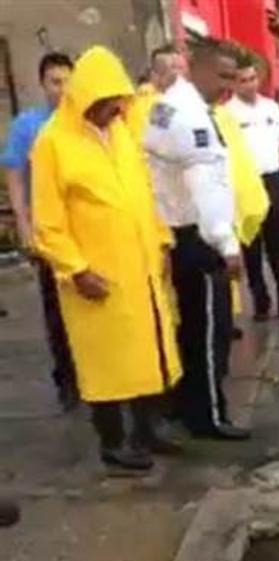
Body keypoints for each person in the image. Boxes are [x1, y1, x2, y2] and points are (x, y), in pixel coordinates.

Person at [31, 46, 182, 472]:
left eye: (118, 101)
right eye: (105, 103)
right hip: (95, 273)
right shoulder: (52, 144)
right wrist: (76, 269)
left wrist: (162, 241)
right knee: (107, 360)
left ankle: (148, 429)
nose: (114, 109)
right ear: (85, 98)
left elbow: (143, 196)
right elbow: (48, 221)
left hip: (141, 265)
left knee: (148, 346)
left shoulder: (121, 133)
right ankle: (112, 441)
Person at [144, 38, 249, 440]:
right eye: (223, 76)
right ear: (196, 68)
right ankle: (207, 416)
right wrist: (227, 245)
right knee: (208, 331)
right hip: (198, 238)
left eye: (234, 78)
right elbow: (205, 188)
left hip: (179, 232)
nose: (229, 87)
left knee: (189, 326)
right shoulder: (191, 118)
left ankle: (186, 405)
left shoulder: (169, 106)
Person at [1, 51, 78, 412]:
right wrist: (23, 221)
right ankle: (67, 378)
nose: (62, 90)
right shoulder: (29, 125)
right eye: (54, 82)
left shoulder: (84, 120)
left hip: (88, 230)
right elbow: (15, 173)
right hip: (51, 232)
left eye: (67, 81)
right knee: (58, 307)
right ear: (43, 84)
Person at [228, 59, 279, 322]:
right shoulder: (227, 113)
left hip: (273, 179)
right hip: (245, 184)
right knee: (252, 246)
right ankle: (261, 302)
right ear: (233, 83)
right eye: (243, 80)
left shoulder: (271, 108)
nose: (249, 85)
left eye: (252, 78)